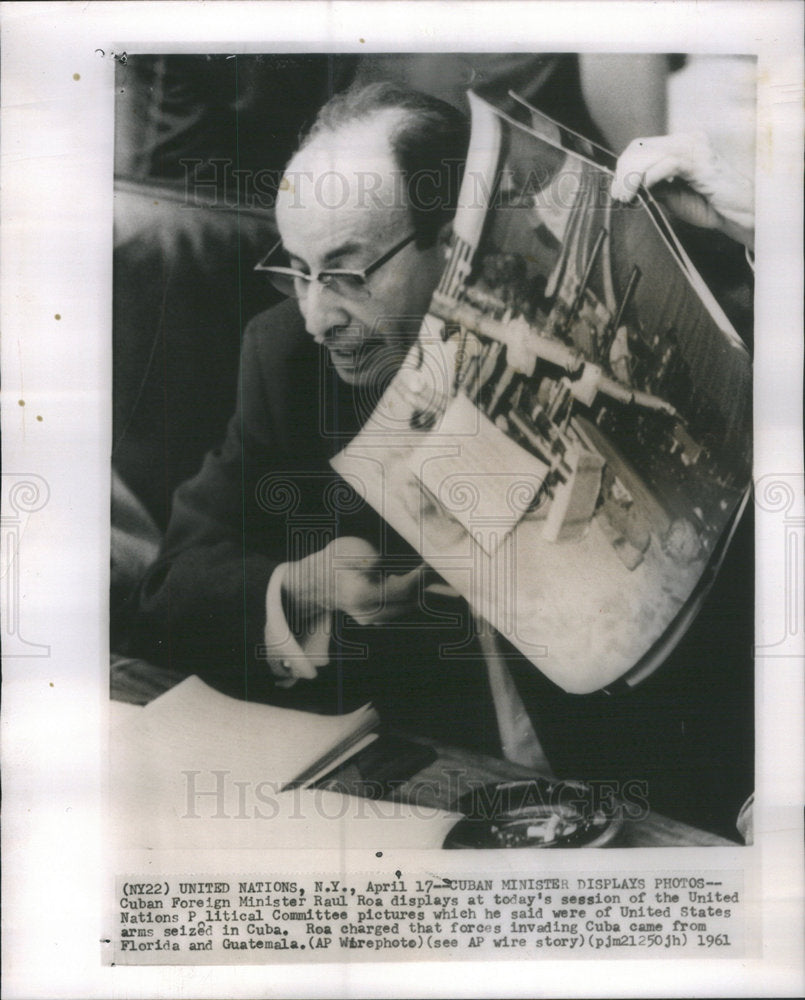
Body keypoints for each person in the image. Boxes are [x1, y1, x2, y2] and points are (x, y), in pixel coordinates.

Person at [131, 82, 753, 838]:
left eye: (347, 273)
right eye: (296, 269)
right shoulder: (287, 360)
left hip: (659, 782)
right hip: (439, 795)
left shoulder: (590, 329)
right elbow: (169, 591)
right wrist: (302, 587)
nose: (316, 315)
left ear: (456, 239)